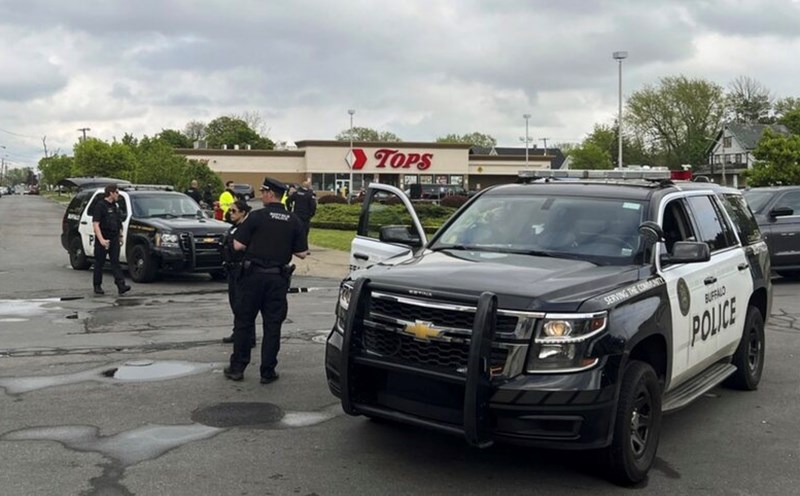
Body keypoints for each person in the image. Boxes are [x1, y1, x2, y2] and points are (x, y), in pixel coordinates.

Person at [224, 177, 309, 384]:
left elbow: (237, 246)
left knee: (244, 322)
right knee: (273, 326)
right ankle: (267, 371)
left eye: (263, 192)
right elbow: (302, 253)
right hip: (277, 279)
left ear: (271, 194)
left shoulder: (256, 217)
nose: (261, 195)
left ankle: (237, 368)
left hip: (252, 277)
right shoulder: (294, 220)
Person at [221, 199, 255, 347]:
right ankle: (238, 332)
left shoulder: (245, 228)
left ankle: (249, 337)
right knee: (235, 304)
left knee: (244, 306)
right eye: (230, 210)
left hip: (242, 270)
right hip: (232, 269)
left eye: (234, 211)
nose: (231, 213)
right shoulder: (233, 227)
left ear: (243, 213)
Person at [92, 184, 132, 295]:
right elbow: (96, 224)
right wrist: (101, 240)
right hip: (103, 238)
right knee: (99, 262)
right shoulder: (100, 206)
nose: (118, 195)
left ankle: (121, 285)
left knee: (115, 262)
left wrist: (120, 236)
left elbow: (118, 222)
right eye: (117, 192)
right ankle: (97, 285)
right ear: (111, 193)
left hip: (114, 238)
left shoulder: (115, 206)